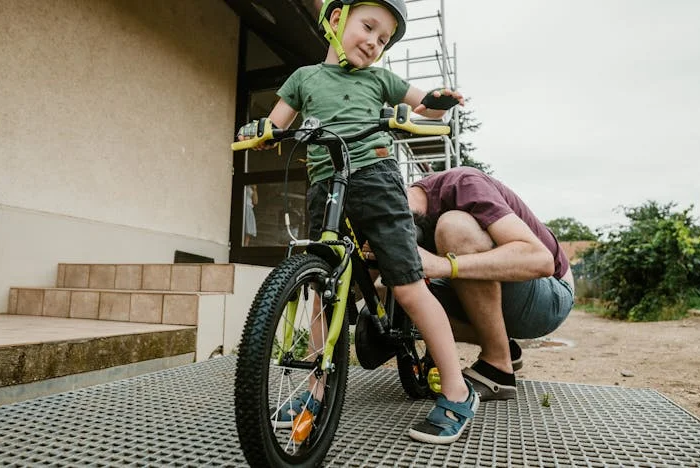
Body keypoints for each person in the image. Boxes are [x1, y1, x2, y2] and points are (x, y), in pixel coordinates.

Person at [238, 0, 477, 445]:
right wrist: (259, 133)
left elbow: (423, 106)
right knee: (318, 293)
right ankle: (314, 389)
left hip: (376, 180)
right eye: (368, 27)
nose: (373, 42)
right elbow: (274, 127)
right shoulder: (303, 78)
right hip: (324, 186)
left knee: (407, 284)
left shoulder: (379, 79)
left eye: (383, 39)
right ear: (335, 20)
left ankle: (458, 391)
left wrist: (439, 102)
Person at [407, 166, 575, 401]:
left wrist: (443, 266)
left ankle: (498, 367)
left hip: (550, 293)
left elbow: (541, 261)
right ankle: (504, 346)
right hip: (505, 290)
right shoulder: (411, 207)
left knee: (454, 228)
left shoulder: (464, 184)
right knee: (392, 288)